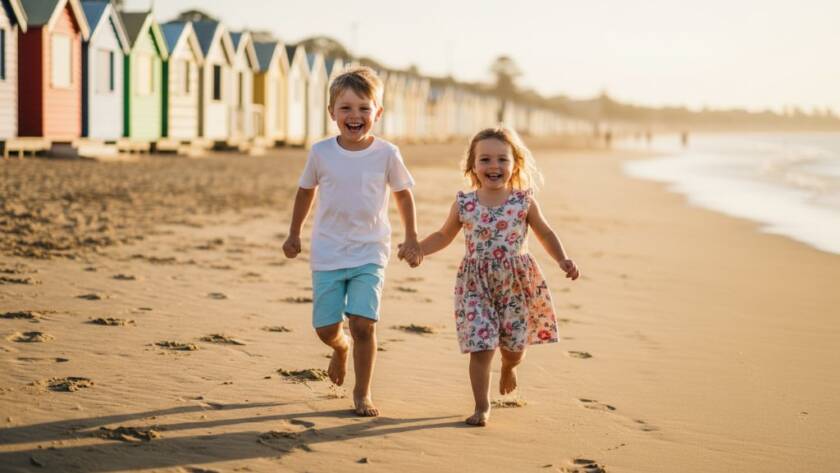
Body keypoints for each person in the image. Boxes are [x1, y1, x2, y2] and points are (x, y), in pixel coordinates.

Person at [401, 127, 579, 426]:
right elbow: (444, 235)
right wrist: (419, 249)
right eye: (485, 159)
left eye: (501, 159)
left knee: (514, 348)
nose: (493, 166)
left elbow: (545, 233)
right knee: (481, 348)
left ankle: (509, 367)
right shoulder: (464, 203)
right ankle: (482, 406)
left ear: (515, 164)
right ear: (472, 166)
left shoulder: (523, 201)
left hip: (516, 284)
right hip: (476, 285)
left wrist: (562, 259)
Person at [283, 66, 422, 417]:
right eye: (346, 108)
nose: (355, 116)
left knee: (364, 323)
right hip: (328, 249)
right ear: (332, 113)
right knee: (326, 328)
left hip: (370, 250)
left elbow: (403, 195)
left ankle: (363, 392)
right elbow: (305, 192)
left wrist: (412, 238)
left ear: (378, 112)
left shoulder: (387, 153)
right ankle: (339, 348)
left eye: (364, 108)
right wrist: (294, 232)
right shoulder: (321, 152)